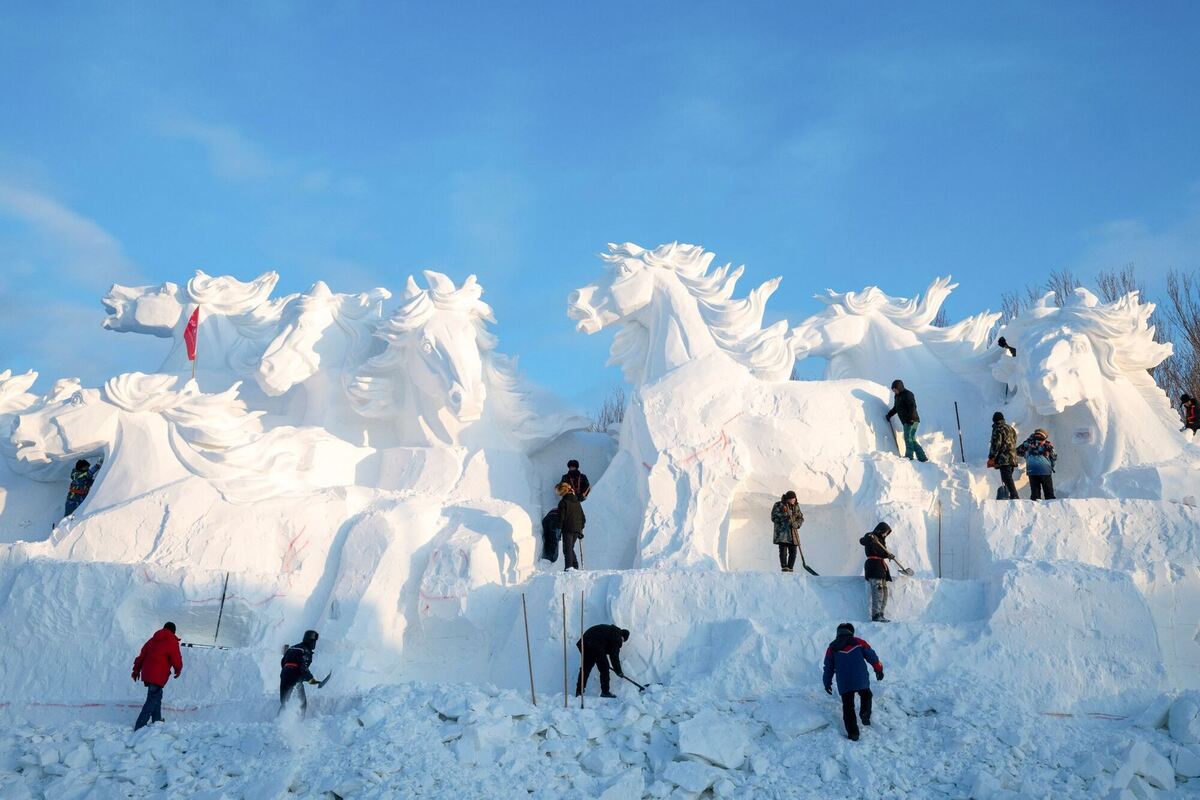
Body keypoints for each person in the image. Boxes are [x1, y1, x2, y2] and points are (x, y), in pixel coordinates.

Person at [822, 622, 884, 741]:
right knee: (866, 695)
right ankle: (865, 713)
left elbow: (828, 667)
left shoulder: (832, 648)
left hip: (844, 682)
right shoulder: (859, 642)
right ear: (851, 632)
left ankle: (853, 733)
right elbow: (872, 656)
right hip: (860, 677)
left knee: (848, 706)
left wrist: (827, 683)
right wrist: (878, 669)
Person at [131, 622, 182, 730]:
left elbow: (141, 656)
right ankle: (139, 725)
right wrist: (178, 669)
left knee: (157, 696)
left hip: (147, 673)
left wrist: (136, 670)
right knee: (152, 699)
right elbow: (176, 658)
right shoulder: (172, 641)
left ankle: (157, 720)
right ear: (173, 631)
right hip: (158, 676)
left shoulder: (152, 640)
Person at [576, 624, 629, 698]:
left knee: (586, 668)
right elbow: (614, 656)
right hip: (594, 644)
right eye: (623, 641)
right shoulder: (617, 636)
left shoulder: (610, 631)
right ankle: (605, 692)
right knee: (604, 668)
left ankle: (579, 691)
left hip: (584, 643)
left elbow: (606, 648)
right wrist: (618, 671)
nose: (621, 642)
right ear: (622, 637)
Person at [280, 629, 321, 716]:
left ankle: (279, 721)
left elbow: (283, 662)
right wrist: (310, 679)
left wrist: (288, 671)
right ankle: (299, 721)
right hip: (295, 676)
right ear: (310, 641)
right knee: (302, 703)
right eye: (314, 641)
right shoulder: (305, 650)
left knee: (285, 702)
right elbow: (303, 667)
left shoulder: (292, 647)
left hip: (284, 674)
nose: (315, 644)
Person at [885, 380, 927, 462]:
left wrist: (911, 418)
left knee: (908, 438)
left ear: (899, 387)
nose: (894, 391)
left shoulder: (908, 394)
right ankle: (922, 457)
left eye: (895, 389)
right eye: (893, 390)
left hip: (912, 420)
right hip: (906, 421)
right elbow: (896, 408)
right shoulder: (897, 397)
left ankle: (909, 456)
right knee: (911, 438)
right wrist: (889, 415)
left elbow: (912, 407)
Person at [860, 523, 894, 622]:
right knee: (878, 593)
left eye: (887, 533)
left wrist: (888, 555)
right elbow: (862, 541)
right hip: (873, 567)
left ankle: (881, 614)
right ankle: (876, 615)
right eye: (885, 532)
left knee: (884, 593)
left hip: (881, 569)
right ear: (880, 530)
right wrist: (871, 537)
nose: (885, 534)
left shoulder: (881, 540)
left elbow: (881, 552)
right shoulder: (870, 536)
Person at [1016, 428, 1057, 500]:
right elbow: (1054, 457)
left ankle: (1035, 505)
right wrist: (1052, 466)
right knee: (1049, 494)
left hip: (1032, 471)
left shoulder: (1028, 443)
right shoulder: (1047, 444)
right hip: (1045, 470)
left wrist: (1026, 454)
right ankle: (1051, 506)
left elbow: (1018, 451)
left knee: (1035, 495)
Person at [770, 491, 805, 573]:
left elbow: (801, 518)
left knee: (793, 551)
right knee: (783, 551)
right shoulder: (779, 505)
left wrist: (797, 523)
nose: (794, 500)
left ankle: (790, 568)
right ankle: (784, 567)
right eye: (792, 499)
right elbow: (774, 517)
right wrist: (785, 515)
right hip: (782, 533)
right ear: (788, 499)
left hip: (793, 533)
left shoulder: (796, 506)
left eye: (794, 498)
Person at [987, 411, 1020, 500]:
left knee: (1006, 477)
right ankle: (1008, 495)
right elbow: (1014, 440)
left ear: (994, 420)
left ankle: (1014, 495)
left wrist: (991, 457)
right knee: (1007, 477)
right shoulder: (1010, 428)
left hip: (1004, 458)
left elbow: (996, 444)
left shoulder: (998, 429)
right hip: (1012, 457)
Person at [556, 482, 585, 570]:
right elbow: (583, 517)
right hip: (577, 529)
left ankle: (569, 568)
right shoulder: (577, 502)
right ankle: (574, 566)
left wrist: (558, 529)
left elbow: (561, 518)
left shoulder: (563, 502)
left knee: (567, 549)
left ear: (562, 492)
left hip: (567, 529)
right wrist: (581, 529)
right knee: (569, 548)